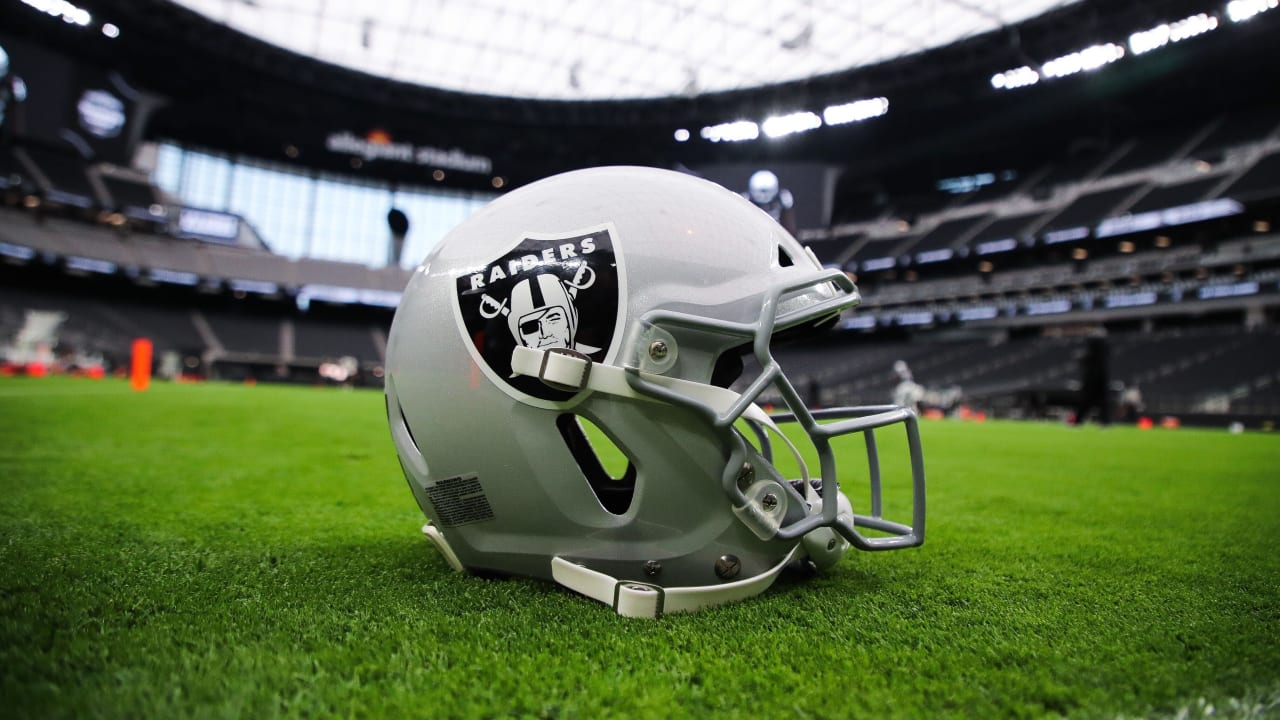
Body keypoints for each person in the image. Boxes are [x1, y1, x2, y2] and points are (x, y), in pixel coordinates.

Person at [743, 170, 797, 235]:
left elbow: (789, 225)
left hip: (778, 235)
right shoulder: (744, 200)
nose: (763, 196)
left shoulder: (783, 198)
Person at [1073, 335, 1111, 426]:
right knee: (1102, 401)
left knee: (1086, 400)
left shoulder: (1091, 355)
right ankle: (1105, 422)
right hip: (1101, 376)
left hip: (1092, 378)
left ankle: (1078, 421)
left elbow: (1084, 360)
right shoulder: (1103, 354)